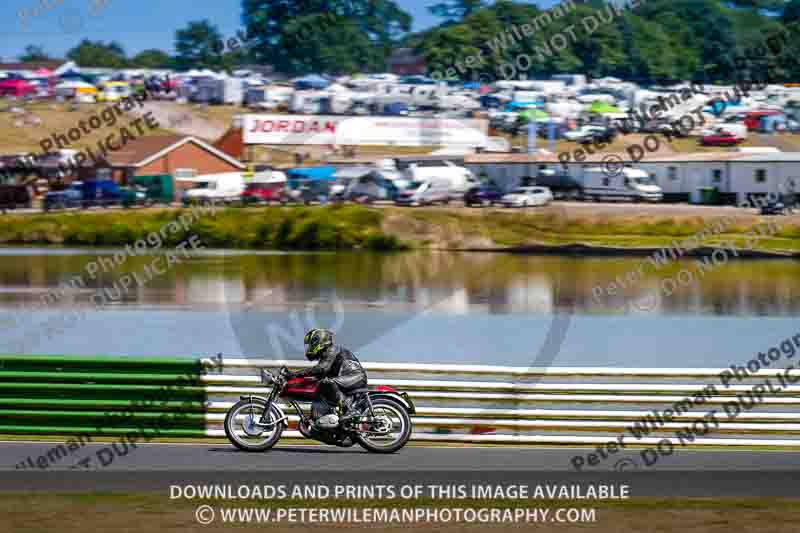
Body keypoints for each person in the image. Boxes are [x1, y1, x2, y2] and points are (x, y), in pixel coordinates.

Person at [286, 329, 367, 429]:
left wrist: (295, 374)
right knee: (320, 389)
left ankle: (349, 410)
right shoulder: (326, 354)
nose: (310, 347)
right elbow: (318, 374)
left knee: (328, 382)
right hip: (346, 379)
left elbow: (321, 369)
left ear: (320, 341)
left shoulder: (332, 350)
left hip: (355, 377)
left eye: (312, 343)